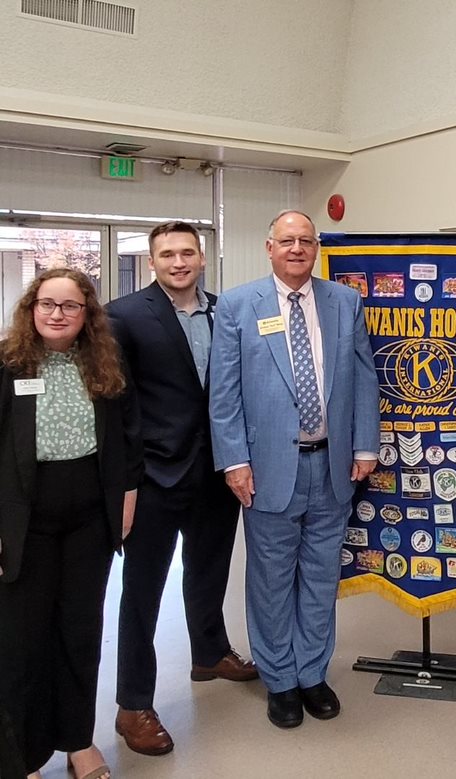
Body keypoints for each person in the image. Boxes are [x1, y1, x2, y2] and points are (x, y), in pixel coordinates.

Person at [209, 210, 380, 729]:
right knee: (270, 579)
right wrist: (234, 461)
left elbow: (365, 378)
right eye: (288, 241)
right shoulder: (239, 304)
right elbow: (224, 392)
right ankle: (279, 678)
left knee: (321, 577)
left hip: (331, 465)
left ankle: (312, 672)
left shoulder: (344, 302)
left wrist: (365, 445)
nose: (298, 249)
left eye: (307, 240)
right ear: (269, 247)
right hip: (266, 469)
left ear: (317, 247)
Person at [107, 221, 257, 757]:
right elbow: (118, 404)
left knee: (211, 568)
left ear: (202, 257)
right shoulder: (123, 316)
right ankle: (132, 704)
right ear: (152, 262)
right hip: (153, 476)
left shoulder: (228, 310)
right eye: (167, 254)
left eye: (187, 252)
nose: (178, 261)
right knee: (142, 594)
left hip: (217, 470)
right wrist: (127, 477)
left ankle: (210, 652)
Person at [0, 268, 143, 779]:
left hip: (90, 517)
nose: (56, 314)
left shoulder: (103, 362)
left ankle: (79, 742)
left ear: (87, 316)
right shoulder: (8, 362)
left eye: (69, 306)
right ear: (31, 308)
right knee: (22, 641)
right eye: (47, 304)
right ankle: (24, 755)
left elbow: (128, 435)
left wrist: (126, 496)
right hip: (23, 519)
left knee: (81, 632)